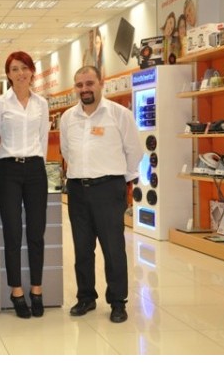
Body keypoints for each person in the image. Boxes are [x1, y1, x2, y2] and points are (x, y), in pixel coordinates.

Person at [59, 65, 142, 324]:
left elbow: (134, 151)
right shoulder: (68, 118)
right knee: (82, 248)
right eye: (79, 85)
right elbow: (66, 151)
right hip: (77, 189)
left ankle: (117, 302)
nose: (84, 89)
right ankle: (86, 297)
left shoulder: (119, 114)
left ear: (100, 83)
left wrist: (119, 181)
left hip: (108, 188)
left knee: (113, 248)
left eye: (89, 83)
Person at [0, 51, 49, 319]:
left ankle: (37, 289)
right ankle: (16, 291)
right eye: (15, 69)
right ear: (8, 74)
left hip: (35, 169)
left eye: (24, 68)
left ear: (32, 72)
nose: (20, 73)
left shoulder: (41, 103)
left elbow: (43, 138)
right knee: (13, 233)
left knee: (36, 232)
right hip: (8, 170)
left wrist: (40, 166)